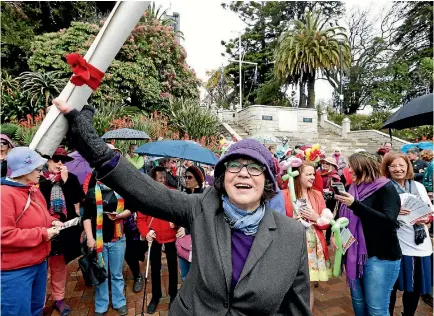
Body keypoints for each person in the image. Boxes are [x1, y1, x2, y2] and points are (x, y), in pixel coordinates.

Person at [53, 98, 311, 315]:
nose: (243, 173)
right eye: (234, 165)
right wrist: (92, 146)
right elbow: (145, 192)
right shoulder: (203, 207)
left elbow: (297, 308)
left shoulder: (292, 235)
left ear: (267, 181)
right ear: (223, 177)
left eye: (254, 167)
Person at [333, 151, 402, 316]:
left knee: (376, 309)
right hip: (354, 255)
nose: (348, 170)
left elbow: (388, 222)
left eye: (351, 167)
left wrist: (355, 205)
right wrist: (334, 236)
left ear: (363, 167)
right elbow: (341, 217)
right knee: (358, 304)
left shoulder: (386, 187)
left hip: (380, 257)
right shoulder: (351, 187)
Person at [1, 147, 62, 316]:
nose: (41, 172)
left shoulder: (33, 190)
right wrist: (43, 234)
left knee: (36, 309)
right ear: (24, 170)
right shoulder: (4, 195)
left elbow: (43, 216)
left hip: (39, 263)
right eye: (37, 168)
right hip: (15, 271)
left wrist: (52, 221)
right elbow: (3, 236)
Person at [381, 153, 433, 316]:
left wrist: (427, 219)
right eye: (393, 166)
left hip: (420, 244)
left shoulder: (418, 187)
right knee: (391, 287)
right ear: (387, 169)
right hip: (396, 245)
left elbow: (430, 211)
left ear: (408, 166)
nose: (398, 169)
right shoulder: (383, 188)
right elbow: (377, 215)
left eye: (401, 165)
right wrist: (393, 213)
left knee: (415, 288)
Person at [82, 152, 133, 316]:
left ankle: (119, 302)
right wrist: (90, 238)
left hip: (117, 239)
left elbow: (131, 209)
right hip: (99, 240)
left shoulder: (121, 191)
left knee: (117, 274)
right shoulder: (92, 193)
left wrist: (119, 216)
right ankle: (101, 305)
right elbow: (86, 217)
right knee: (101, 273)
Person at [39, 147, 84, 316]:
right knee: (41, 269)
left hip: (63, 230)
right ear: (48, 161)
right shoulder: (38, 181)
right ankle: (40, 301)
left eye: (63, 161)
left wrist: (66, 182)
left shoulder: (70, 179)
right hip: (43, 231)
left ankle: (59, 299)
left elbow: (77, 199)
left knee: (58, 267)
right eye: (56, 160)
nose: (60, 163)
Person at [137, 166, 179, 313]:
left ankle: (174, 294)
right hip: (154, 238)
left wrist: (178, 223)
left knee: (173, 267)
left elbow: (181, 213)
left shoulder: (172, 193)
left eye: (164, 177)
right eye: (159, 177)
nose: (162, 180)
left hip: (171, 237)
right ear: (153, 179)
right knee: (155, 268)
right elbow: (141, 219)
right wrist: (146, 232)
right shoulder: (146, 196)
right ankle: (156, 296)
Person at [290, 162, 331, 310]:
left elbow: (326, 222)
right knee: (290, 284)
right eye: (308, 174)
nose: (313, 177)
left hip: (313, 247)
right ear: (297, 176)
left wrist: (316, 217)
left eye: (313, 174)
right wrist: (288, 221)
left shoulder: (317, 195)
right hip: (292, 246)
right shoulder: (285, 194)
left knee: (310, 285)